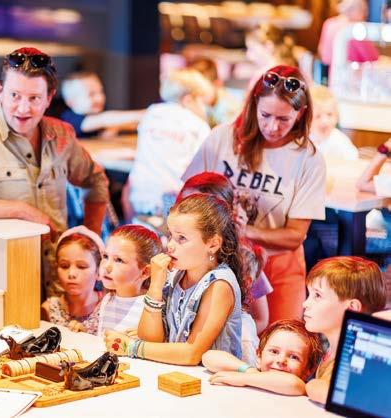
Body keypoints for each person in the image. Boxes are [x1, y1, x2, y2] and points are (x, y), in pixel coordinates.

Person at [0, 47, 109, 298]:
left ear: (49, 98)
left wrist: (89, 240)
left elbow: (96, 180)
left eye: (34, 98)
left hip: (59, 284)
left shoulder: (62, 135)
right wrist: (21, 211)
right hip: (3, 279)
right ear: (0, 91)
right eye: (15, 95)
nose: (23, 108)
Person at [183, 65, 327, 324]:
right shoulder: (223, 138)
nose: (272, 126)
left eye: (283, 119)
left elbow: (295, 236)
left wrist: (244, 231)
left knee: (279, 340)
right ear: (253, 105)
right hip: (219, 261)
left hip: (278, 267)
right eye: (265, 115)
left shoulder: (308, 159)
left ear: (301, 113)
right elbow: (187, 196)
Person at [104, 193, 244, 365]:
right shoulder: (175, 275)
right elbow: (150, 339)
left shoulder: (220, 284)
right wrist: (155, 286)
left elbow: (192, 354)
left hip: (211, 379)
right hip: (175, 374)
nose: (170, 245)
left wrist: (132, 347)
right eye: (170, 235)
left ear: (213, 244)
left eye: (181, 238)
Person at [178, 172, 273, 335]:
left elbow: (261, 319)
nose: (185, 214)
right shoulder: (171, 251)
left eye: (196, 208)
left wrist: (226, 335)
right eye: (182, 204)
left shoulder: (244, 260)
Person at [127, 69, 213, 217]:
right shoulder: (198, 125)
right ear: (188, 99)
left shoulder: (151, 113)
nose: (206, 109)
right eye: (203, 103)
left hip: (138, 199)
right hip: (173, 204)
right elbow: (205, 167)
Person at [303, 256, 386, 404]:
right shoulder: (331, 350)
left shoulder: (356, 361)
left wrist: (309, 385)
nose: (305, 304)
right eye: (309, 294)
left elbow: (346, 396)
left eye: (317, 295)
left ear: (351, 308)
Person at [204, 319, 324, 396]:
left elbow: (292, 383)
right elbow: (208, 357)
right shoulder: (252, 374)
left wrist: (242, 378)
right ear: (259, 355)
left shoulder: (300, 387)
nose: (281, 360)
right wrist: (249, 370)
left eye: (294, 357)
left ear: (308, 370)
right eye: (274, 351)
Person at [97, 225, 162, 337]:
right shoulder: (108, 300)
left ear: (145, 272)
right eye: (105, 256)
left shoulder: (149, 307)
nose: (107, 266)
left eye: (119, 260)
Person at [41, 226, 104, 334]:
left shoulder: (109, 309)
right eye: (64, 266)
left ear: (99, 271)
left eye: (81, 266)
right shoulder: (48, 310)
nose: (71, 274)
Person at [60, 72, 144, 139]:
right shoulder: (69, 120)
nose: (99, 98)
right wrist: (148, 113)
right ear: (71, 102)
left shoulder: (98, 113)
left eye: (101, 92)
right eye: (91, 94)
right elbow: (104, 120)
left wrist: (116, 127)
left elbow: (131, 125)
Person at [318, 0, 379, 67]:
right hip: (351, 72)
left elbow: (322, 53)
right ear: (354, 10)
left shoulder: (329, 23)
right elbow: (372, 58)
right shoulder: (355, 29)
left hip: (332, 71)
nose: (366, 15)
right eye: (363, 10)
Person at [188, 57, 242, 128]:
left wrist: (202, 118)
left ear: (217, 84)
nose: (196, 95)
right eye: (193, 90)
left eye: (200, 91)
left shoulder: (234, 104)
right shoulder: (202, 104)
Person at [310, 85, 358, 161]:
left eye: (329, 114)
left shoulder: (339, 140)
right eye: (318, 116)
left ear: (337, 117)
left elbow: (353, 159)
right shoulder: (304, 141)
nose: (325, 121)